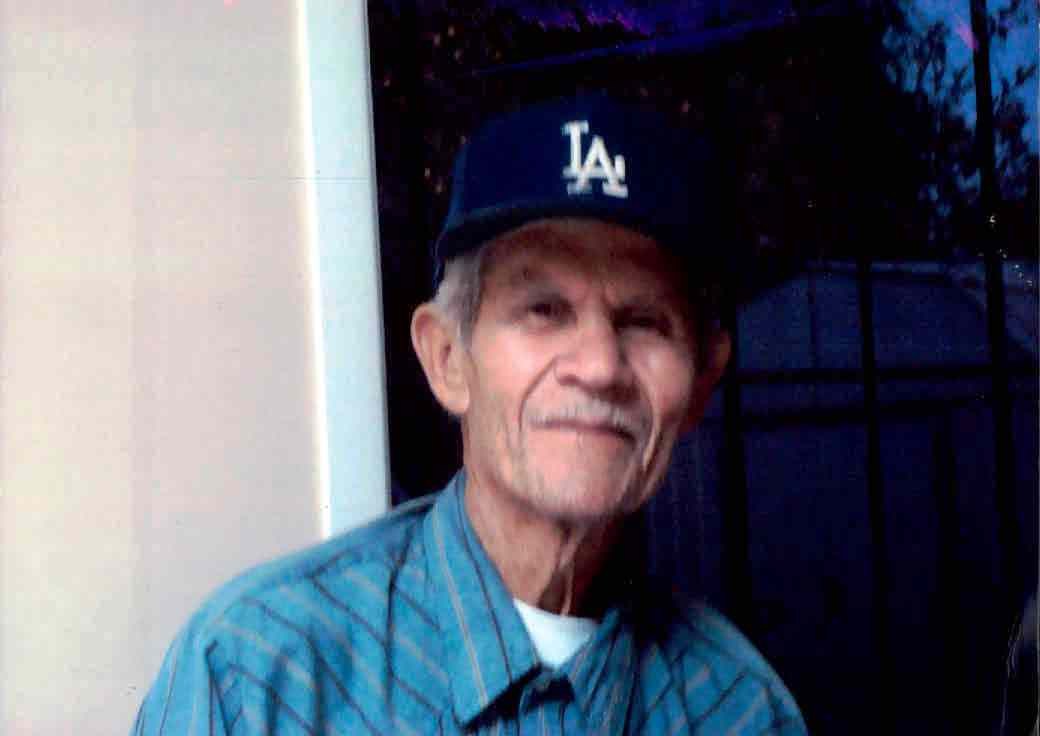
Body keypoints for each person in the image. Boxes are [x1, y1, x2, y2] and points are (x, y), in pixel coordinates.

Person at [133, 95, 807, 735]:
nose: (601, 366)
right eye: (543, 310)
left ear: (701, 383)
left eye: (645, 321)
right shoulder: (260, 676)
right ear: (448, 358)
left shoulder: (738, 710)